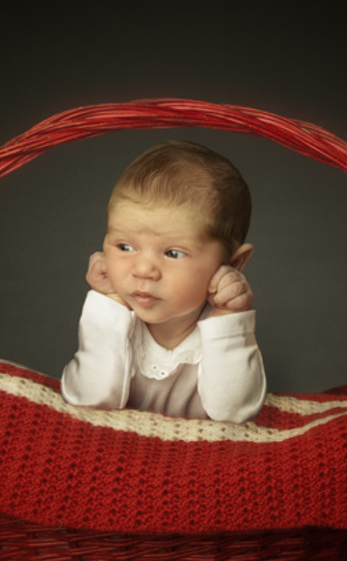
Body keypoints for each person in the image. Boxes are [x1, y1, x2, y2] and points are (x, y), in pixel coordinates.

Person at [60, 141, 266, 423]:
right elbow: (89, 399)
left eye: (173, 253)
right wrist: (109, 303)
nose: (143, 269)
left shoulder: (220, 333)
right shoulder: (117, 319)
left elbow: (234, 412)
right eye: (124, 247)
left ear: (233, 264)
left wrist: (229, 318)